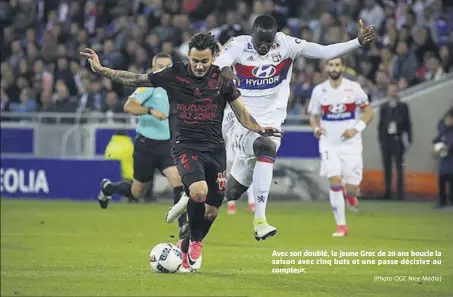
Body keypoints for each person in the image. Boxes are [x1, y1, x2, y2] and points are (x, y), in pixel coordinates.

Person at [80, 33, 280, 272]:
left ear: (214, 58)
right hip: (185, 146)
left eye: (204, 61)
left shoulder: (222, 80)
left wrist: (258, 128)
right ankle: (194, 241)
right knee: (198, 191)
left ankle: (189, 241)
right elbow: (137, 79)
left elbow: (241, 113)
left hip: (215, 150)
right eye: (195, 60)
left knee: (212, 209)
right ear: (188, 56)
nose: (199, 66)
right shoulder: (174, 74)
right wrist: (102, 69)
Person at [166, 14, 376, 241]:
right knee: (266, 148)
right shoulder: (239, 45)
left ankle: (190, 197)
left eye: (268, 42)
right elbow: (216, 64)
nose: (264, 47)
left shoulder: (286, 45)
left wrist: (357, 42)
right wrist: (224, 68)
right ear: (252, 36)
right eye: (260, 43)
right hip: (241, 120)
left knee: (233, 191)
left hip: (271, 124)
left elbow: (323, 51)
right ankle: (260, 221)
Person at [96, 53, 191, 239]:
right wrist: (150, 111)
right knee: (138, 191)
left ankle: (183, 225)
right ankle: (109, 188)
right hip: (146, 146)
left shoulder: (175, 87)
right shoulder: (149, 87)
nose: (163, 69)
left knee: (177, 180)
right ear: (153, 68)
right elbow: (128, 106)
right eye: (160, 66)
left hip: (167, 146)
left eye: (167, 66)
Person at [308, 57, 374, 237]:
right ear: (326, 68)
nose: (334, 68)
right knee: (334, 180)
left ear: (342, 67)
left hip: (351, 144)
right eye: (331, 64)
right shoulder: (318, 91)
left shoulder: (354, 88)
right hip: (329, 143)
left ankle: (351, 195)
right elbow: (314, 116)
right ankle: (341, 226)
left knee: (352, 188)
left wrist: (355, 129)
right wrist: (316, 128)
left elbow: (369, 112)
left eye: (337, 64)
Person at [378, 82, 412, 200]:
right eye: (390, 91)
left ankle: (400, 192)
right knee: (387, 166)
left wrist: (409, 139)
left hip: (398, 139)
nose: (392, 93)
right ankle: (387, 191)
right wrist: (381, 140)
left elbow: (408, 123)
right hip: (386, 140)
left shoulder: (403, 106)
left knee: (399, 166)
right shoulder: (384, 107)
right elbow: (381, 125)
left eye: (394, 90)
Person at [433, 109, 453, 208]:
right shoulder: (443, 131)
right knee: (441, 180)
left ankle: (451, 200)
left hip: (451, 160)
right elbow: (437, 141)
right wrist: (437, 149)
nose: (448, 121)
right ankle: (442, 200)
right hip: (444, 160)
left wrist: (445, 148)